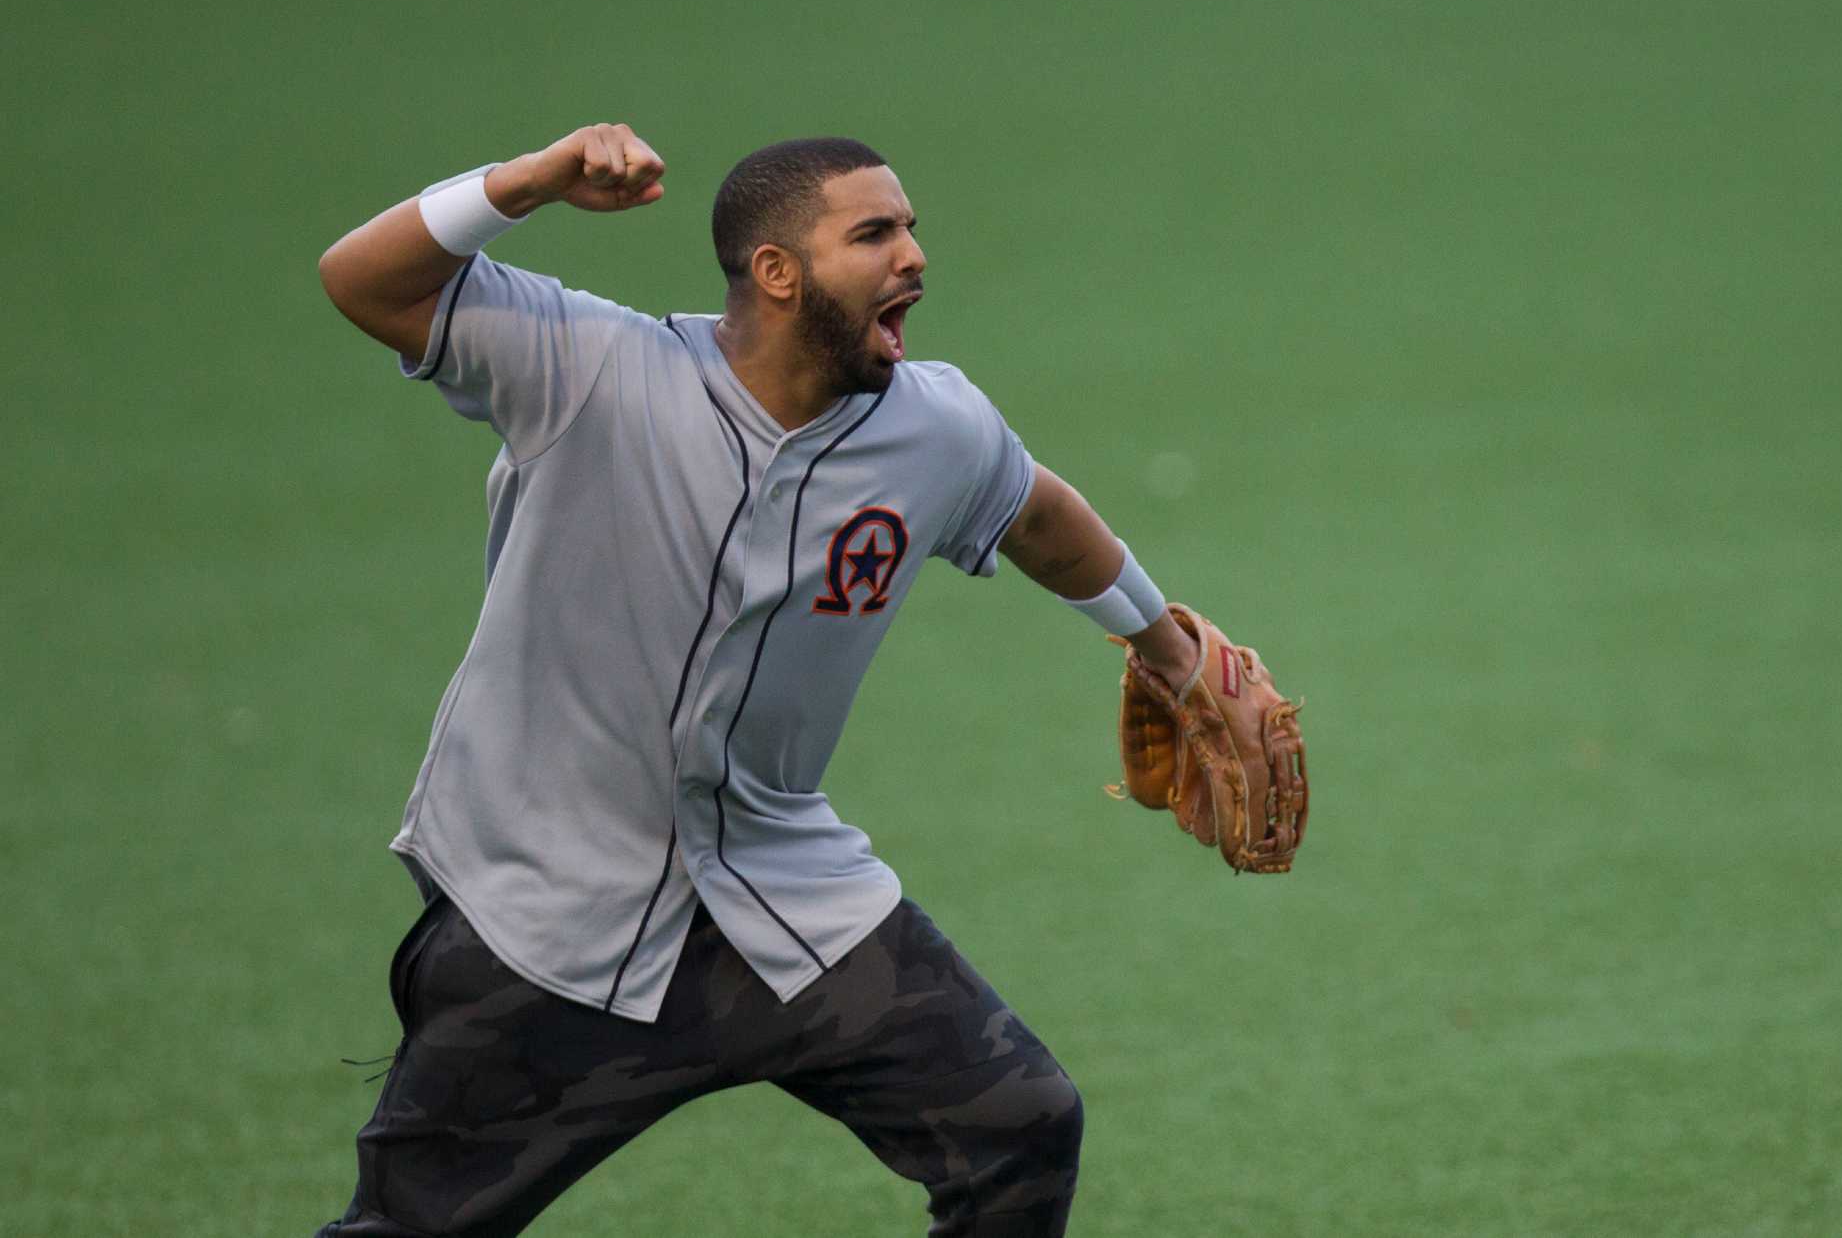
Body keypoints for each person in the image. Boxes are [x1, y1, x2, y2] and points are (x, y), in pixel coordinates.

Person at [313, 123, 1201, 1237]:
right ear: (776, 273)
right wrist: (528, 181)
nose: (913, 256)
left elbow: (1033, 513)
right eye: (873, 233)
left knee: (1017, 1124)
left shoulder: (935, 426)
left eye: (911, 229)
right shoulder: (588, 368)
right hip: (543, 923)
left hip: (779, 903)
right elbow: (361, 278)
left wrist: (1164, 645)